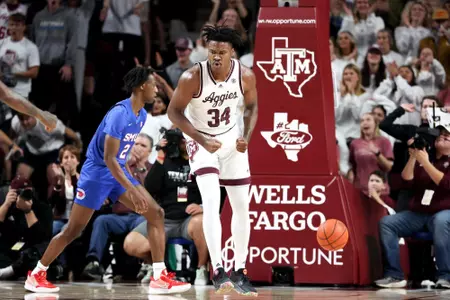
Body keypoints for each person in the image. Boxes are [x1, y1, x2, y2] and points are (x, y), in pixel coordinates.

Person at [24, 66, 191, 295]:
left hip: (116, 173)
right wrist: (131, 190)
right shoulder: (119, 114)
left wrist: (130, 185)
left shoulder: (141, 115)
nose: (157, 90)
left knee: (156, 214)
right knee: (73, 231)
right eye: (154, 85)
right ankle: (37, 273)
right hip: (97, 175)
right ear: (142, 86)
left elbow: (120, 159)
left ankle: (159, 276)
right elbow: (109, 158)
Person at [167, 24, 258, 296]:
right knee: (211, 201)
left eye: (222, 51)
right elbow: (174, 113)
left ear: (232, 53)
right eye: (212, 51)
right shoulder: (191, 77)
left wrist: (247, 136)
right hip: (201, 140)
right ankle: (217, 269)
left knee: (242, 206)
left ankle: (240, 271)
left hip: (232, 139)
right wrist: (200, 138)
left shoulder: (246, 76)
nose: (216, 56)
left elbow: (252, 107)